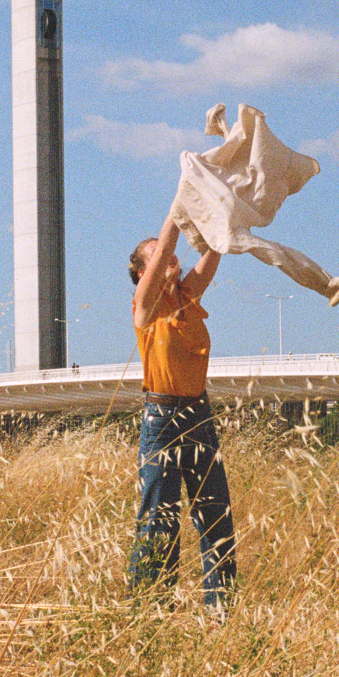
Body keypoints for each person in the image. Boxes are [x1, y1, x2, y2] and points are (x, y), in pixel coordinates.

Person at [128, 211, 236, 616]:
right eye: (157, 257)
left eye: (170, 254)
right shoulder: (145, 307)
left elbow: (211, 256)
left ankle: (221, 612)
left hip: (199, 415)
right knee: (160, 519)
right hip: (162, 420)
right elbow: (163, 259)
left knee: (216, 514)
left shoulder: (186, 297)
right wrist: (176, 211)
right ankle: (149, 612)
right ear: (142, 273)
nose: (169, 257)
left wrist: (225, 222)